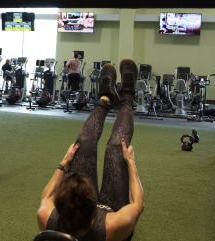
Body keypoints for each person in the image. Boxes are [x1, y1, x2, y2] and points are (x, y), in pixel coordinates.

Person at [38, 59, 144, 241]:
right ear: (94, 204)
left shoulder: (49, 220)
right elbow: (137, 203)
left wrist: (65, 162)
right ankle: (127, 97)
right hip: (113, 208)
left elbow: (46, 196)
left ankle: (106, 97)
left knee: (83, 142)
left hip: (83, 214)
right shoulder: (113, 225)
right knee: (117, 148)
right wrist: (131, 162)